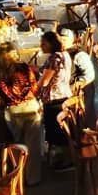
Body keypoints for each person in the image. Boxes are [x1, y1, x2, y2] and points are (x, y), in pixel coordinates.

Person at [0, 41, 42, 184]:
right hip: (30, 107)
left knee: (16, 145)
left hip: (12, 110)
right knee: (33, 146)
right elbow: (34, 88)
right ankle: (32, 179)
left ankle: (17, 179)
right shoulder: (24, 67)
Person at [35, 31, 72, 164]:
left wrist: (34, 86)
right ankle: (66, 157)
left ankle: (61, 160)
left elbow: (44, 82)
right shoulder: (65, 55)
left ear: (51, 43)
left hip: (54, 99)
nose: (41, 46)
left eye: (44, 43)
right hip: (65, 95)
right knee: (62, 130)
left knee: (55, 132)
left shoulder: (54, 58)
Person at [59, 28, 97, 126]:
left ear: (72, 41)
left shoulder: (79, 55)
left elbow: (90, 75)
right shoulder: (58, 55)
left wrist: (76, 85)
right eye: (60, 39)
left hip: (78, 93)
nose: (61, 42)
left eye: (64, 40)